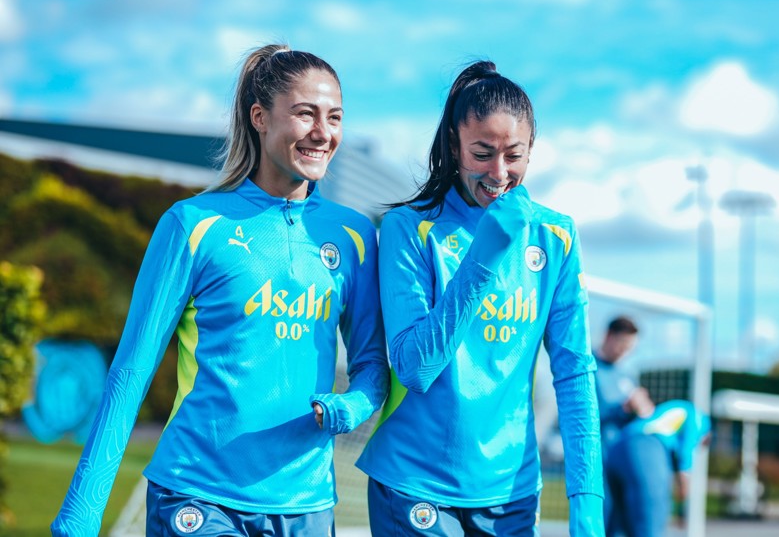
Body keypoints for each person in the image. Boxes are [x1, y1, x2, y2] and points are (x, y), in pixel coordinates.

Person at [51, 43, 389, 537]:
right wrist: (82, 511)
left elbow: (372, 366)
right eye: (305, 114)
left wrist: (353, 406)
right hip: (197, 493)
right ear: (260, 117)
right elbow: (130, 373)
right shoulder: (193, 225)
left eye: (334, 117)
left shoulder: (354, 236)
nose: (323, 132)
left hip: (307, 505)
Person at [356, 60, 604, 536]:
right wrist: (485, 254)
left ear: (532, 149)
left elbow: (574, 373)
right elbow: (414, 367)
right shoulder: (410, 228)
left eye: (514, 155)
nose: (499, 172)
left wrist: (586, 499)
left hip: (511, 492)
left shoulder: (556, 237)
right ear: (455, 145)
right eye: (482, 153)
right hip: (414, 484)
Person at [604, 400, 711, 537]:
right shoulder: (699, 418)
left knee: (618, 522)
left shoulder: (672, 417)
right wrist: (684, 488)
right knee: (651, 519)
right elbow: (686, 451)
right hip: (645, 446)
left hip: (617, 447)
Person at [593, 315, 655, 535]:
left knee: (623, 523)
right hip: (597, 461)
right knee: (598, 520)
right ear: (609, 336)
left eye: (630, 347)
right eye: (622, 344)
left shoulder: (627, 374)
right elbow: (584, 414)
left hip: (626, 462)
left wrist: (642, 409)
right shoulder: (587, 366)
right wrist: (624, 408)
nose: (625, 351)